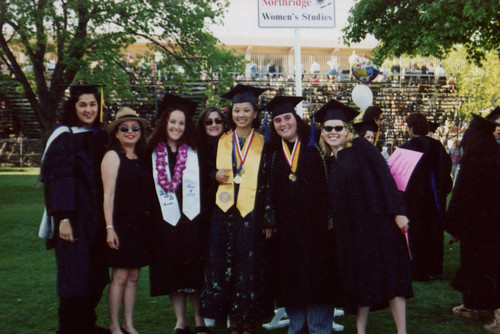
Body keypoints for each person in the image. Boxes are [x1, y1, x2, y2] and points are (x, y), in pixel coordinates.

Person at [316, 99, 412, 334]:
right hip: (352, 230)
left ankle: (402, 331)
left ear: (346, 129)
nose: (333, 132)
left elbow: (385, 177)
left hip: (378, 223)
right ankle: (360, 330)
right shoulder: (329, 158)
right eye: (328, 128)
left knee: (392, 277)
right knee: (361, 279)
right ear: (322, 132)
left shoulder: (360, 147)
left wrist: (399, 212)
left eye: (338, 127)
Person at [201, 84, 274, 334]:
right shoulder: (219, 142)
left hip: (251, 216)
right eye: (236, 110)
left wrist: (267, 219)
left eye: (246, 110)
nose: (241, 115)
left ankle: (248, 319)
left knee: (250, 267)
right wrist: (213, 174)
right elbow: (203, 174)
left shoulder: (266, 144)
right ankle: (233, 320)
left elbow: (269, 182)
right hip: (224, 216)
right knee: (226, 266)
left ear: (255, 113)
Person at [265, 96, 339, 334]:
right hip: (287, 231)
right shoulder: (273, 152)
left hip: (318, 228)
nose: (283, 123)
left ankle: (319, 328)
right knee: (291, 279)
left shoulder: (317, 143)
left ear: (296, 119)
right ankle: (297, 327)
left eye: (287, 117)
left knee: (319, 279)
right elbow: (265, 187)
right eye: (277, 120)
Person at [40, 84, 109, 334]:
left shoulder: (99, 136)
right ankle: (68, 329)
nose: (89, 109)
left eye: (92, 104)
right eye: (83, 104)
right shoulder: (64, 136)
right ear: (74, 107)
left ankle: (86, 325)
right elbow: (59, 179)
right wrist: (64, 218)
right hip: (74, 219)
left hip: (96, 219)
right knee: (73, 278)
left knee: (96, 276)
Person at [148, 94, 207, 334]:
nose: (176, 127)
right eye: (172, 121)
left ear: (187, 126)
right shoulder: (150, 152)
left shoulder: (196, 151)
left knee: (194, 271)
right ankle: (180, 322)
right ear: (164, 122)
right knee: (172, 272)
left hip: (193, 220)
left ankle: (200, 320)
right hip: (165, 221)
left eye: (181, 123)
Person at [445, 113, 500, 333]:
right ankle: (470, 306)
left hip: (479, 229)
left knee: (485, 268)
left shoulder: (473, 160)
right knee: (482, 268)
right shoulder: (496, 155)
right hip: (490, 226)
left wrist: (455, 228)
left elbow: (461, 197)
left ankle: (497, 317)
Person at [101, 107, 151, 334]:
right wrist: (110, 228)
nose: (130, 131)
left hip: (139, 225)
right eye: (125, 128)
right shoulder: (113, 156)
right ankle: (114, 325)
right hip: (120, 224)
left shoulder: (141, 157)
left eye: (135, 128)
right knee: (120, 276)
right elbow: (107, 194)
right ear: (117, 133)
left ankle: (128, 323)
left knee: (133, 277)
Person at [401, 113, 452, 281]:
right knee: (433, 233)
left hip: (415, 200)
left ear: (411, 128)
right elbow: (446, 172)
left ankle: (418, 270)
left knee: (416, 233)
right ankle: (434, 268)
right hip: (435, 199)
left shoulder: (407, 147)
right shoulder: (437, 146)